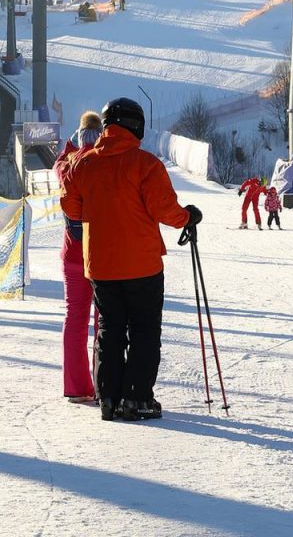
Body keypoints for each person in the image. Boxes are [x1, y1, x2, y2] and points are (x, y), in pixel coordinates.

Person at [60, 97, 200, 422]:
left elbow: (71, 208)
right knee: (144, 330)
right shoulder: (146, 164)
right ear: (136, 126)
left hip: (101, 266)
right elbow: (165, 210)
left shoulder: (82, 164)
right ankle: (136, 399)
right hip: (142, 265)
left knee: (109, 329)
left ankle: (108, 398)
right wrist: (187, 218)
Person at [55, 111, 103, 402]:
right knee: (104, 319)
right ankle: (103, 383)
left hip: (72, 252)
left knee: (74, 317)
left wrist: (73, 144)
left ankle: (75, 386)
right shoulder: (103, 164)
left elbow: (63, 157)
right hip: (100, 252)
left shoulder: (65, 164)